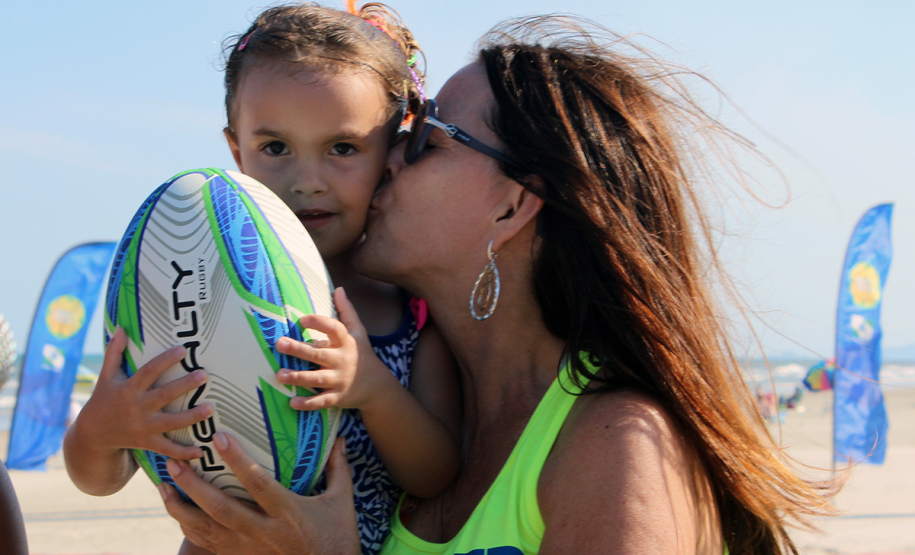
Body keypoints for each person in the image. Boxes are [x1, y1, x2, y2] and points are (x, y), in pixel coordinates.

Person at [160, 15, 835, 555]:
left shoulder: (618, 443)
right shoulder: (396, 397)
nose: (379, 161)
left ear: (512, 206)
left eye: (422, 139)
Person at [63, 4, 461, 555]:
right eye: (275, 148)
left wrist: (370, 386)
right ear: (236, 150)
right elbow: (97, 480)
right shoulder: (189, 295)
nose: (307, 181)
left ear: (391, 152)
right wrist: (105, 429)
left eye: (342, 148)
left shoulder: (406, 310)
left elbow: (436, 474)